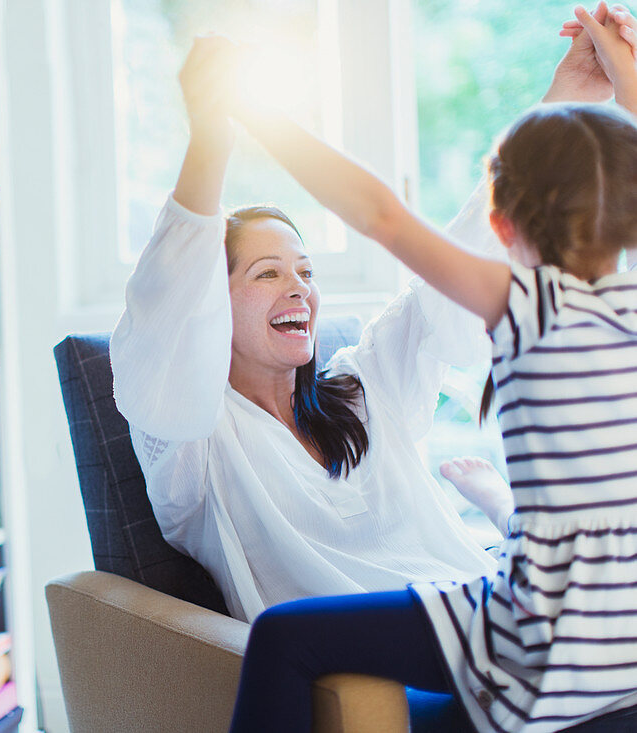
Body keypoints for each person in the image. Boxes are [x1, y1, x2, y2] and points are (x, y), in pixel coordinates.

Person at [109, 5, 620, 625]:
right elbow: (168, 305)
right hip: (379, 677)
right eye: (266, 272)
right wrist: (210, 141)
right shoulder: (193, 447)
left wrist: (562, 101)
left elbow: (448, 280)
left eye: (306, 271)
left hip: (496, 620)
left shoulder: (362, 388)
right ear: (209, 302)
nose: (299, 288)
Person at [224, 5, 637, 732]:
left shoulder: (523, 299)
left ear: (502, 227)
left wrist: (258, 115)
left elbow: (381, 215)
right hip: (623, 642)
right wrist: (622, 70)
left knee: (284, 636)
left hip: (541, 644)